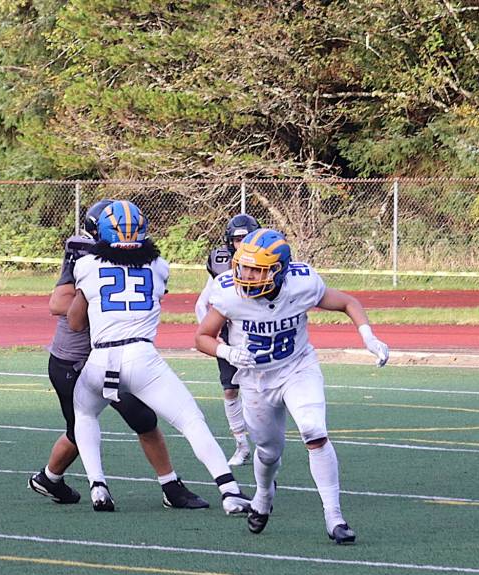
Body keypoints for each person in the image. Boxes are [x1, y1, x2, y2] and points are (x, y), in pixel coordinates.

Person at [195, 228, 390, 543]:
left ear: (278, 270)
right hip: (256, 379)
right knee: (269, 451)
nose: (247, 275)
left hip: (298, 368)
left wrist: (368, 336)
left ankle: (334, 516)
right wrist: (228, 351)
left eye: (257, 270)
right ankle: (262, 497)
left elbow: (348, 302)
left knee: (314, 431)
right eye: (244, 267)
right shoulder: (229, 292)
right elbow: (202, 337)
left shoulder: (302, 283)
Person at [66, 199, 253, 514]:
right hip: (142, 358)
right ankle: (229, 490)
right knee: (191, 420)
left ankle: (98, 486)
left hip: (100, 359)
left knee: (84, 414)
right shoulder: (159, 266)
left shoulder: (85, 266)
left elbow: (75, 321)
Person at [29, 199, 208, 510]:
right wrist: (90, 299)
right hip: (75, 359)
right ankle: (59, 479)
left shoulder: (122, 255)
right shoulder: (83, 256)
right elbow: (57, 303)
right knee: (81, 428)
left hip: (113, 355)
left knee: (142, 419)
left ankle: (169, 486)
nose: (127, 240)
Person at [194, 213, 258, 466]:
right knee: (230, 390)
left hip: (260, 336)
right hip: (231, 339)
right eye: (237, 239)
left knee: (261, 393)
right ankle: (241, 445)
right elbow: (203, 303)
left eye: (246, 238)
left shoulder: (270, 256)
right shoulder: (220, 263)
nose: (242, 244)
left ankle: (264, 443)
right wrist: (210, 332)